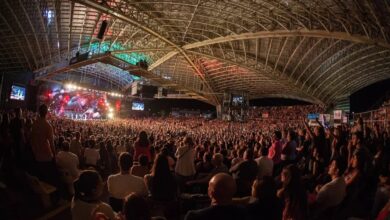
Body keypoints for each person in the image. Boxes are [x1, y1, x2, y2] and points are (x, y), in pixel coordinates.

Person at [184, 173, 250, 220]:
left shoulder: (194, 216)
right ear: (234, 190)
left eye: (209, 186)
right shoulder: (243, 213)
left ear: (210, 192)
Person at [31, 104, 58, 185]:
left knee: (39, 177)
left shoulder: (34, 124)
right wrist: (54, 154)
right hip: (46, 156)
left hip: (36, 155)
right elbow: (52, 143)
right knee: (47, 179)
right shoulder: (48, 126)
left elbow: (31, 139)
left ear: (39, 112)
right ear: (46, 112)